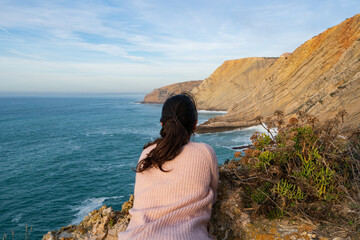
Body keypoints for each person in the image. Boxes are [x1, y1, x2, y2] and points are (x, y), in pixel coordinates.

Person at [118, 93, 218, 240]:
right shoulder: (205, 152)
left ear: (162, 124)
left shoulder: (147, 153)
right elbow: (213, 194)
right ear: (195, 124)